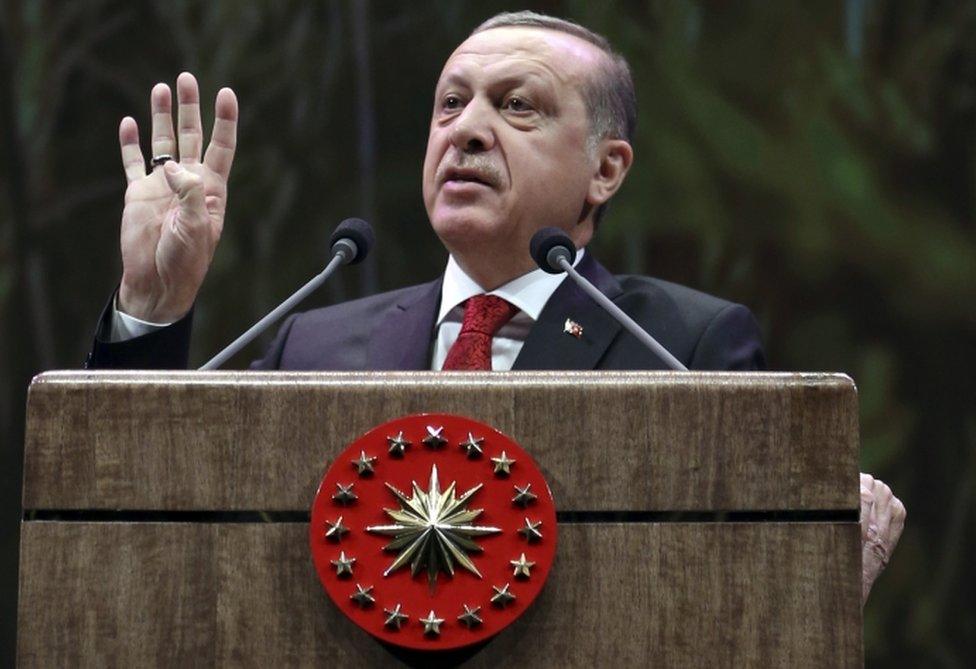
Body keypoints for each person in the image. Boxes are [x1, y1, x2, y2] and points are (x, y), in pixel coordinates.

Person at [85, 10, 904, 604]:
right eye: (450, 104)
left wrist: (816, 586)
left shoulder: (681, 343)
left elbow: (730, 597)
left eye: (518, 106)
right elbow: (135, 521)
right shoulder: (316, 342)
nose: (466, 131)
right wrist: (153, 306)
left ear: (606, 170)